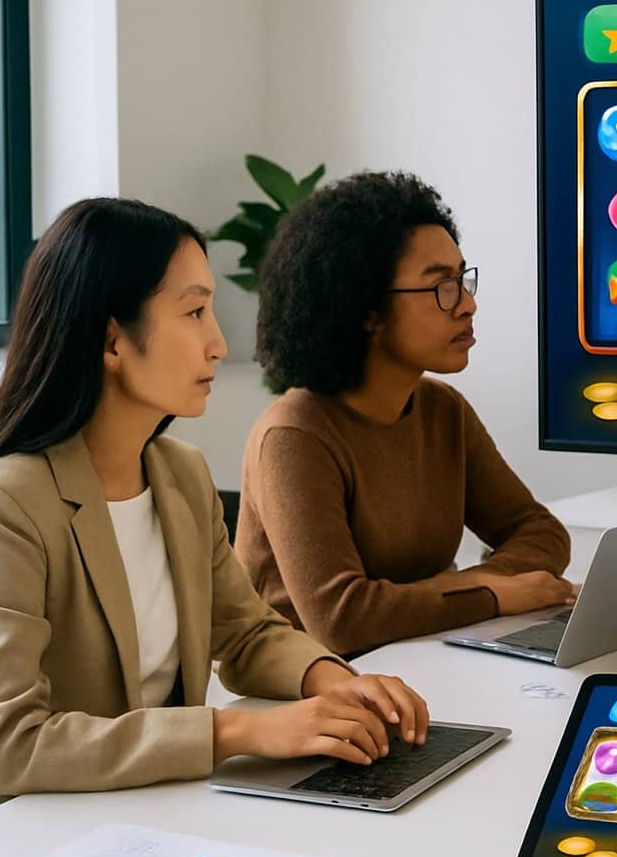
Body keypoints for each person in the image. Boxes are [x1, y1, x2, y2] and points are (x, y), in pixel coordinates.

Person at [0, 198, 429, 823]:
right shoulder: (0, 507)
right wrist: (235, 733)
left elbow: (245, 632)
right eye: (194, 312)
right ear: (111, 339)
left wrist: (337, 682)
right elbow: (3, 746)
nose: (218, 344)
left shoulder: (180, 474)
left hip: (153, 815)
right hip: (30, 836)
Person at [240, 172, 573, 658]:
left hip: (422, 655)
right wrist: (491, 595)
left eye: (462, 280)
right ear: (366, 310)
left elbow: (541, 532)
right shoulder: (294, 434)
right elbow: (341, 620)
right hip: (315, 685)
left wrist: (468, 587)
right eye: (441, 287)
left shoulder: (442, 409)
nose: (468, 304)